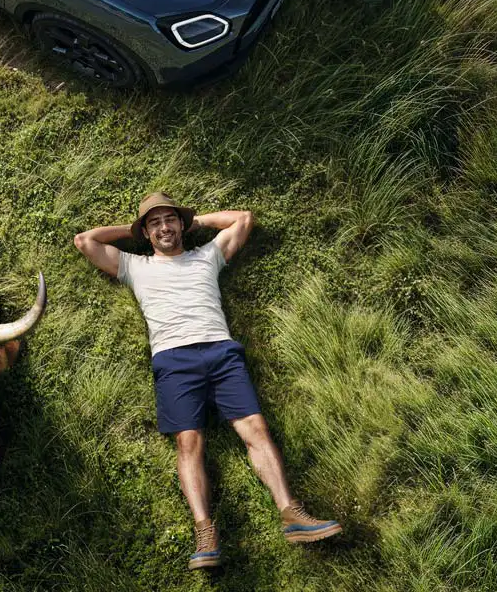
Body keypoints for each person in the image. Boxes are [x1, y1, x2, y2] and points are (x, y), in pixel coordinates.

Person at [74, 192, 342, 570]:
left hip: (221, 352)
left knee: (256, 429)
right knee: (189, 442)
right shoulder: (135, 265)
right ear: (146, 234)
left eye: (170, 220)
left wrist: (194, 221)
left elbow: (244, 218)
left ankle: (291, 514)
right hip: (173, 360)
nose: (164, 228)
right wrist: (135, 231)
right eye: (155, 224)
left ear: (181, 225)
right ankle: (205, 533)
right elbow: (85, 241)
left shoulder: (206, 255)